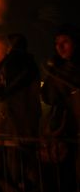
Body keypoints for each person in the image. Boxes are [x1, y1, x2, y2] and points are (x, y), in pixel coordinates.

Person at [40, 24, 80, 192]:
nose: (60, 47)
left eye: (65, 42)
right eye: (57, 43)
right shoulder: (58, 68)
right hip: (64, 133)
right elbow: (48, 97)